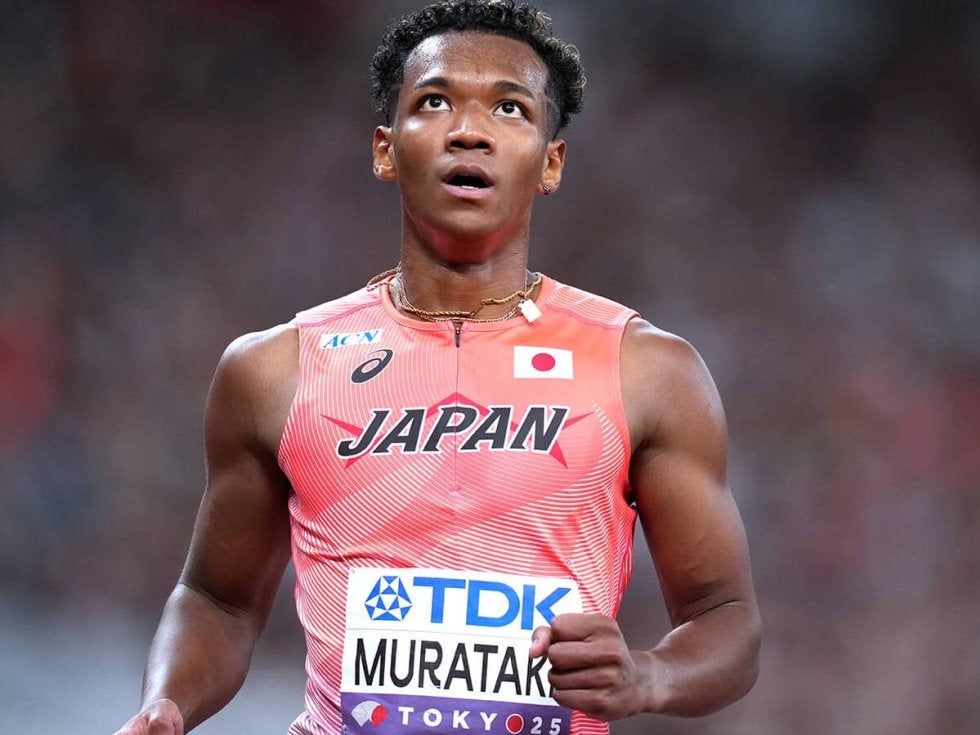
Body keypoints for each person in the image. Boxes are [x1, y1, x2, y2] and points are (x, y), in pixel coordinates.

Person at [114, 1, 761, 733]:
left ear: (550, 163)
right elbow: (218, 599)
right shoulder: (275, 370)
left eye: (510, 108)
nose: (469, 131)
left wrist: (649, 675)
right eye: (434, 102)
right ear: (385, 149)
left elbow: (727, 617)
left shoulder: (645, 370)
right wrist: (167, 703)